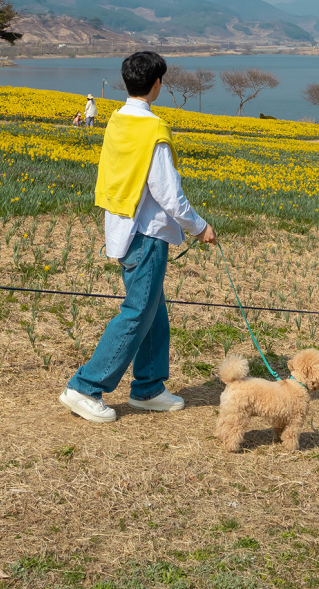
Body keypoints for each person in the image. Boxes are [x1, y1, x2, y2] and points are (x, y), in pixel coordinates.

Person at [60, 51, 216, 425]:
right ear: (157, 84)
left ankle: (148, 387)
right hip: (146, 234)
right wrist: (200, 226)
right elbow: (168, 194)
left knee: (152, 309)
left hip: (121, 226)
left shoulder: (116, 119)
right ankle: (85, 386)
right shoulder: (154, 130)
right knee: (137, 312)